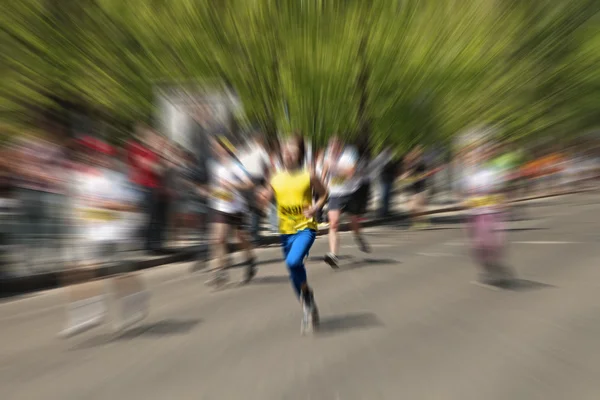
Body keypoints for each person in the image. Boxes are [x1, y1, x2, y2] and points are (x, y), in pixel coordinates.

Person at [258, 134, 328, 334]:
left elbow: (324, 193)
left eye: (292, 150)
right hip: (285, 232)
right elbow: (268, 196)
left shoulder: (309, 175)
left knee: (293, 262)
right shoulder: (276, 178)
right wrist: (263, 198)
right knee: (294, 273)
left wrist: (315, 208)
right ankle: (308, 303)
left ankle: (307, 301)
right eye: (285, 149)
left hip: (305, 227)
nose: (287, 152)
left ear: (299, 155)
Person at [201, 137, 257, 287]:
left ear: (225, 149)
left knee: (240, 238)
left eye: (217, 147)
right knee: (218, 239)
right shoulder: (214, 166)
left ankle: (250, 259)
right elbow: (215, 186)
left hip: (236, 207)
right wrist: (208, 191)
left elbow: (249, 184)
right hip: (220, 206)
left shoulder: (235, 166)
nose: (215, 150)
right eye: (213, 147)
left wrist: (232, 184)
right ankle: (220, 271)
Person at [321, 136, 371, 268]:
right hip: (335, 194)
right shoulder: (327, 156)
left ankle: (358, 237)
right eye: (331, 148)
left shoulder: (348, 154)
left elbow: (350, 172)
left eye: (335, 148)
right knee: (333, 223)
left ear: (340, 147)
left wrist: (336, 167)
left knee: (353, 222)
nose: (333, 150)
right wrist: (321, 186)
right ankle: (333, 255)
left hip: (350, 192)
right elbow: (324, 173)